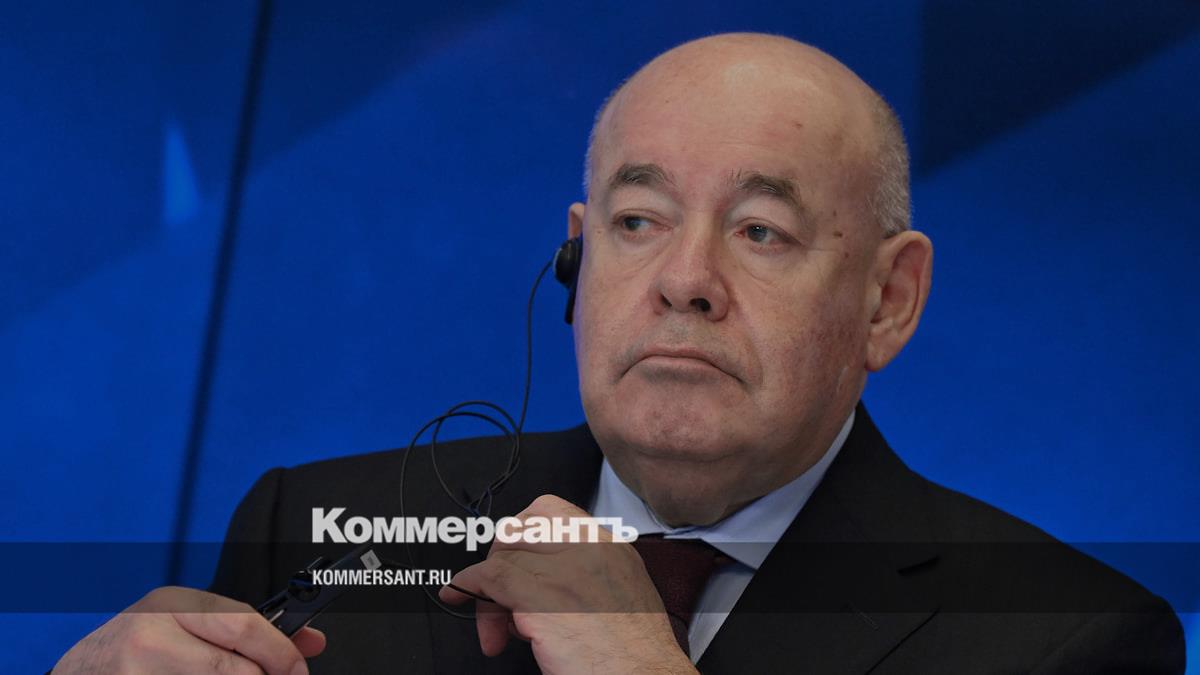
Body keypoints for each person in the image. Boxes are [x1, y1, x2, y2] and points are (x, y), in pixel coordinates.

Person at [53, 32, 1184, 674]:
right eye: (638, 221)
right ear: (576, 258)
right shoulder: (323, 531)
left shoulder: (1069, 642)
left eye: (761, 232)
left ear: (889, 301)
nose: (685, 279)